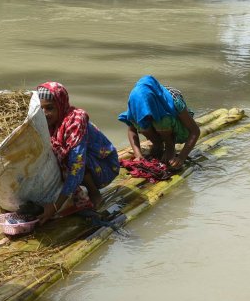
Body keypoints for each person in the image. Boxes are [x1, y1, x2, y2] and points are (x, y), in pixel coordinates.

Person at [36, 82, 119, 223]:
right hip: (82, 164)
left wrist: (55, 206)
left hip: (104, 165)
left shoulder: (75, 122)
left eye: (49, 108)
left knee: (73, 159)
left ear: (60, 105)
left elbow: (76, 167)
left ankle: (95, 194)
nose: (44, 114)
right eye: (41, 108)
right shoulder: (50, 123)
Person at [118, 75, 200, 172]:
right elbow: (132, 130)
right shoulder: (136, 102)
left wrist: (181, 157)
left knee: (163, 121)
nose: (148, 118)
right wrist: (138, 155)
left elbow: (195, 131)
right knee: (139, 122)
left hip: (175, 127)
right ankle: (158, 143)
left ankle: (170, 145)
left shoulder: (173, 100)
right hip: (158, 129)